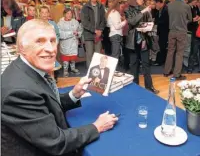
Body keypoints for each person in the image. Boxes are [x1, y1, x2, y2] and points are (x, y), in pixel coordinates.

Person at [1, 19, 118, 156]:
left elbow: (45, 104)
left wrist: (74, 94)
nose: (51, 49)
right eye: (40, 41)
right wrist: (97, 126)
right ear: (21, 47)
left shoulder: (27, 69)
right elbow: (56, 142)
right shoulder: (19, 92)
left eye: (52, 40)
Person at [124, 0, 159, 94]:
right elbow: (132, 21)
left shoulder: (145, 9)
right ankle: (135, 87)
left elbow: (149, 23)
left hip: (144, 39)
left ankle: (149, 87)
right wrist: (142, 12)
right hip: (132, 41)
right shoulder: (127, 9)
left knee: (146, 64)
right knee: (133, 64)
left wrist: (147, 31)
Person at [164, 0, 192, 80]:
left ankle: (166, 71)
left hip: (171, 31)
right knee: (179, 53)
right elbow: (190, 19)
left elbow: (169, 17)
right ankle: (177, 74)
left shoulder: (170, 5)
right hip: (182, 31)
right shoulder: (186, 6)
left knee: (170, 51)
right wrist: (184, 22)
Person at [81, 0, 106, 68]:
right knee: (89, 54)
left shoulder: (101, 6)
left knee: (98, 54)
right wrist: (94, 30)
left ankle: (96, 71)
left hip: (98, 34)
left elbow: (103, 20)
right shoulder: (85, 7)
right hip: (88, 34)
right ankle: (90, 72)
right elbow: (84, 22)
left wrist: (100, 30)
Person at [58, 8, 83, 76]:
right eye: (67, 13)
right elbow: (60, 34)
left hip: (74, 43)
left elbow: (80, 30)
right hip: (65, 44)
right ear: (64, 14)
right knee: (66, 58)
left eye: (70, 13)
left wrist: (78, 34)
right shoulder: (60, 23)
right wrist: (71, 33)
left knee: (73, 57)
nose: (69, 15)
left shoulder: (75, 22)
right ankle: (65, 70)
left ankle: (73, 68)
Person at [154, 0, 169, 66]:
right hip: (161, 31)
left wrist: (156, 21)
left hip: (165, 31)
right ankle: (161, 60)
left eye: (155, 4)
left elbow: (165, 21)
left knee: (162, 46)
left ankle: (161, 61)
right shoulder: (161, 9)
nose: (155, 5)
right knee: (161, 46)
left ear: (159, 2)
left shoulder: (166, 9)